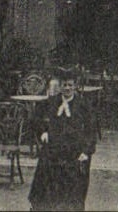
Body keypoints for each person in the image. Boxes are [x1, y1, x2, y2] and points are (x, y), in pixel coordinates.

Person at [28, 75, 98, 211]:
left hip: (74, 151)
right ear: (60, 86)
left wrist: (86, 151)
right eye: (64, 85)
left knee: (72, 191)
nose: (67, 88)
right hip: (55, 149)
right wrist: (43, 132)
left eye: (70, 85)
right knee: (47, 184)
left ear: (75, 87)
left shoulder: (83, 105)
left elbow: (91, 129)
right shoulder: (52, 102)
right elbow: (35, 118)